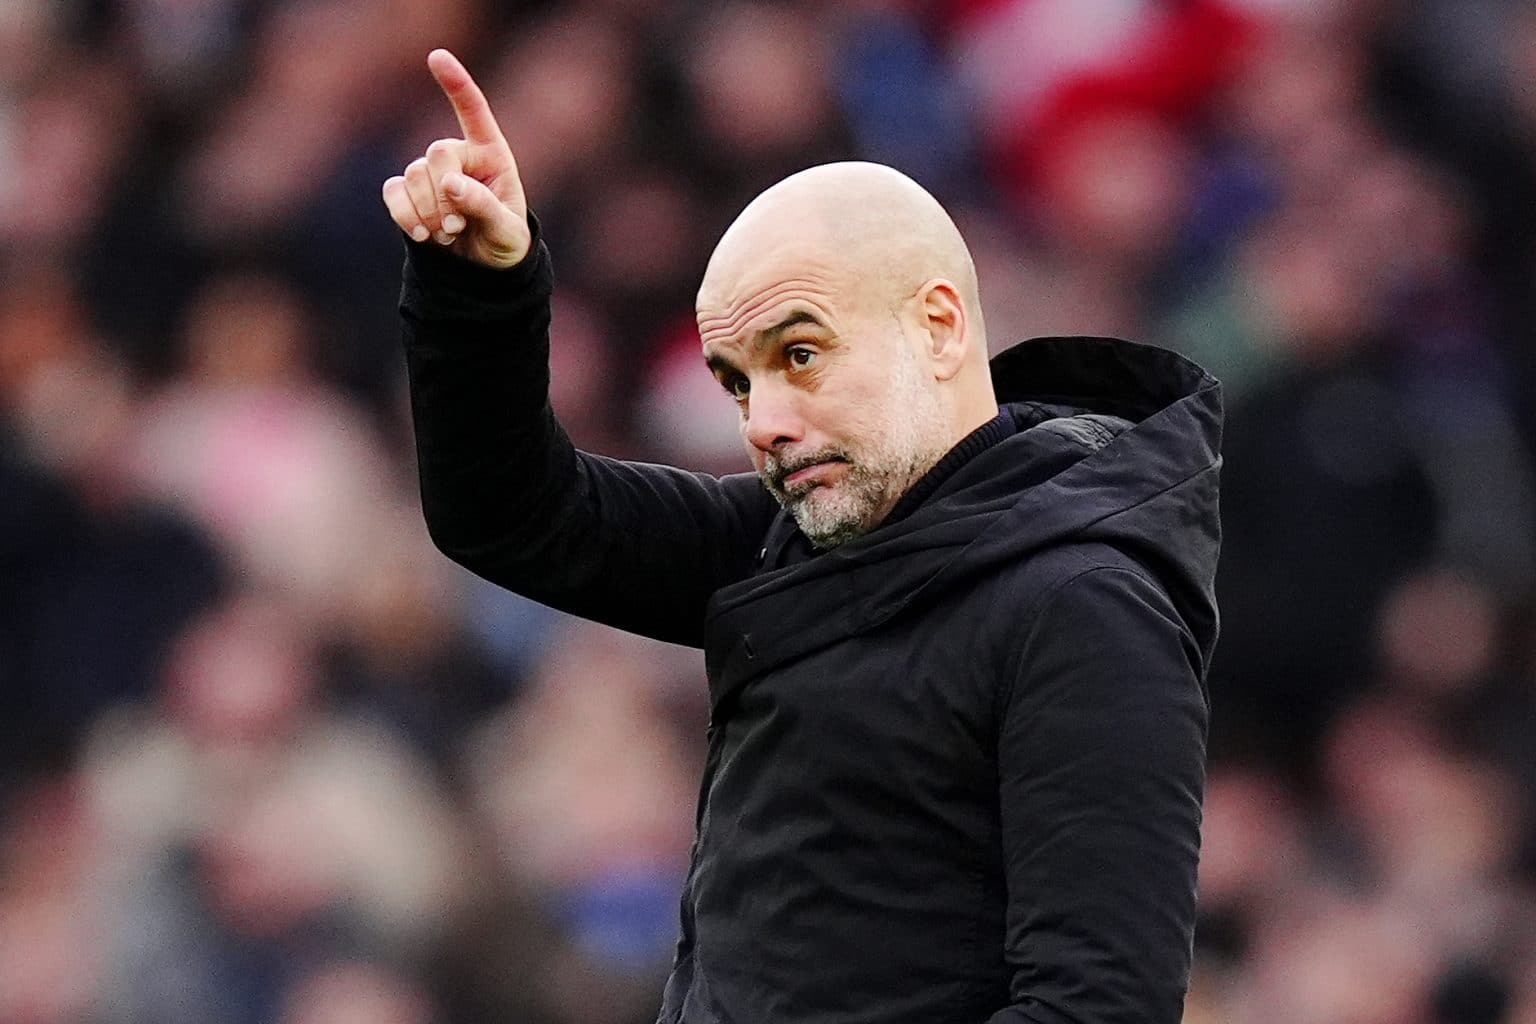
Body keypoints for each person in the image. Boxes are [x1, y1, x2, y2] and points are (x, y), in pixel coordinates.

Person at [384, 49, 1221, 1024]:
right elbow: (510, 515)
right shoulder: (789, 539)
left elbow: (1098, 1008)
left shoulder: (1081, 606)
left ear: (939, 327)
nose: (765, 421)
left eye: (801, 354)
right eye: (738, 382)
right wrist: (480, 286)